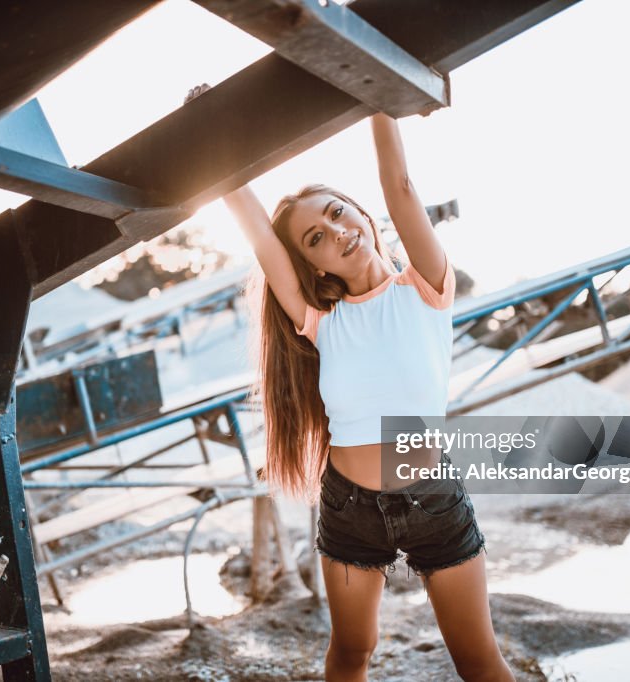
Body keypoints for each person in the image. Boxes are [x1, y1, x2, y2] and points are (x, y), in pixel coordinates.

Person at [185, 84, 514, 681]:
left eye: (337, 213)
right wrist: (215, 135)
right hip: (348, 506)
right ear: (314, 265)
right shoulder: (320, 323)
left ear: (362, 212)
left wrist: (374, 86)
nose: (335, 232)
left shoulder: (426, 287)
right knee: (350, 652)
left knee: (475, 659)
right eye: (315, 237)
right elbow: (262, 239)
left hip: (432, 499)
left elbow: (400, 184)